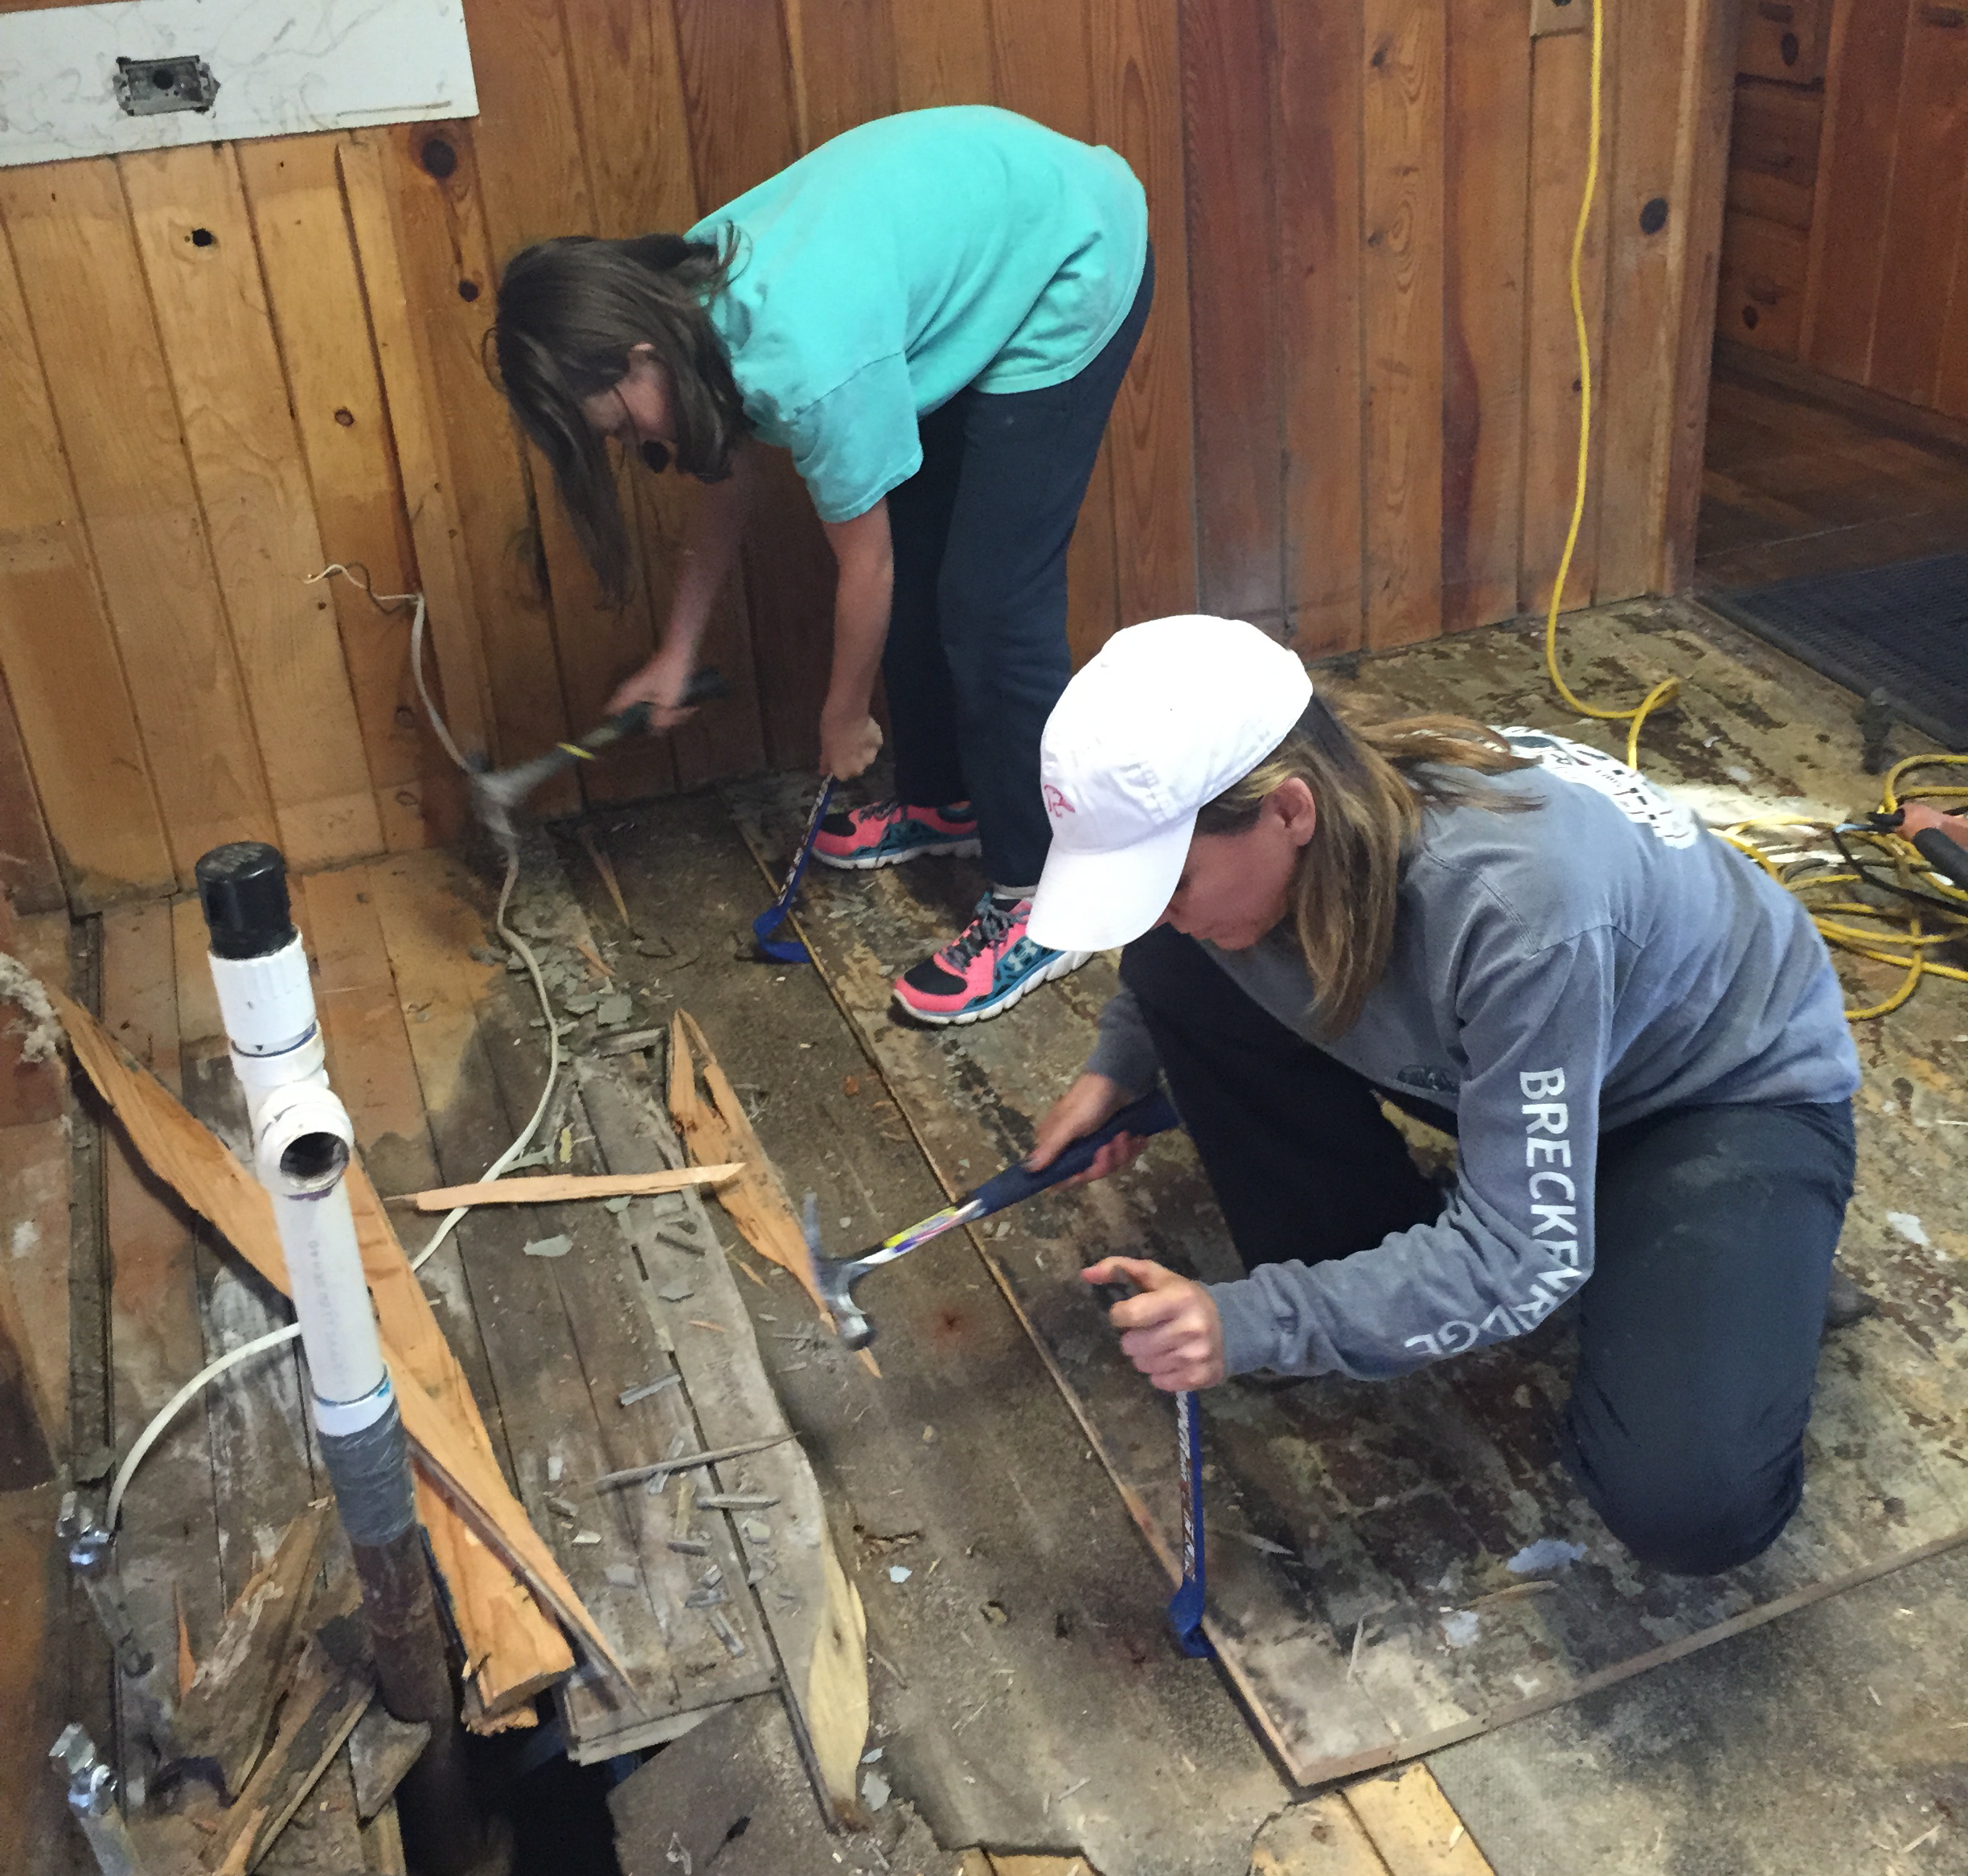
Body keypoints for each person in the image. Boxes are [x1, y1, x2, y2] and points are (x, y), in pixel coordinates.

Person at [1021, 615, 1862, 1577]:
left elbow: (1526, 1255)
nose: (1157, 912)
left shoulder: (1518, 909)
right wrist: (1121, 1065)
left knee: (1687, 1502)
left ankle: (1742, 1263)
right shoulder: (1302, 786)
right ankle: (1449, 1243)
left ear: (1289, 810)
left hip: (1712, 1096)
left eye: (1167, 882)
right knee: (1189, 956)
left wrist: (1258, 1322)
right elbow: (1171, 950)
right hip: (1516, 1042)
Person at [493, 105, 1150, 1027]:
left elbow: (863, 570)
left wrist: (843, 718)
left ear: (641, 359)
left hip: (1071, 252)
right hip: (986, 250)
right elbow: (725, 482)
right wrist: (677, 650)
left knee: (991, 608)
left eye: (618, 425)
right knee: (925, 559)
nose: (631, 446)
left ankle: (1046, 898)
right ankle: (945, 803)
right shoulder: (682, 313)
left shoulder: (799, 358)